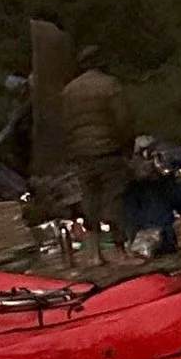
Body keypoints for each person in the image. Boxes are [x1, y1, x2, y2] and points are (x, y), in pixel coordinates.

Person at [62, 55, 129, 242]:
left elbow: (64, 124)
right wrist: (125, 144)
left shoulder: (69, 91)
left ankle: (96, 251)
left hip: (81, 154)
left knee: (90, 198)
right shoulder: (109, 84)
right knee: (115, 196)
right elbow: (122, 119)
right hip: (107, 150)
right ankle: (120, 247)